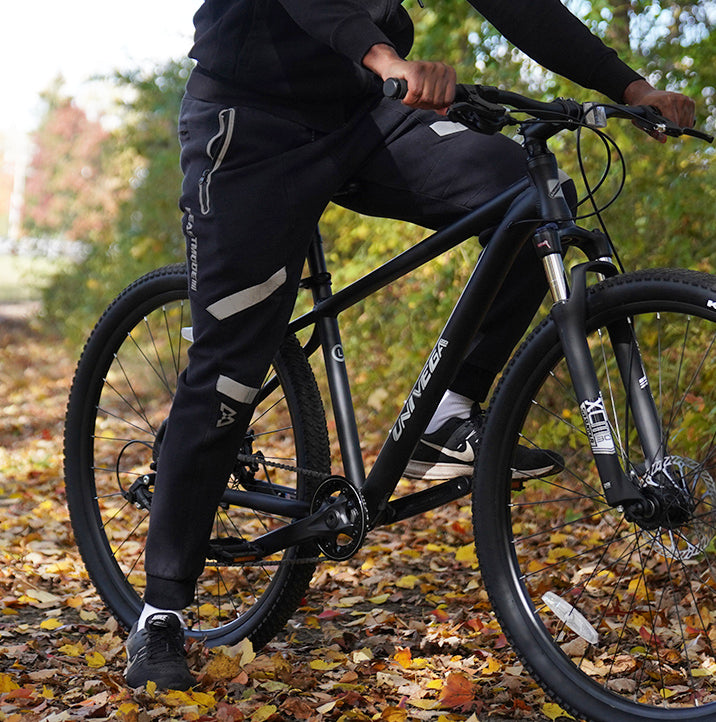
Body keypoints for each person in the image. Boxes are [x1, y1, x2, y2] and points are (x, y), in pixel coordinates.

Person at [124, 0, 696, 690]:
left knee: (527, 196)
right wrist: (387, 59)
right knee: (229, 371)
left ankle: (445, 417)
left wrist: (634, 90)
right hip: (250, 122)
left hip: (364, 114)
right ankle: (159, 612)